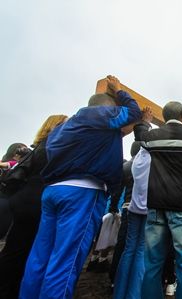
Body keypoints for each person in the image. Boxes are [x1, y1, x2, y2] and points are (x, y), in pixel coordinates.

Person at [19, 75, 142, 299]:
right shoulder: (99, 115)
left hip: (53, 191)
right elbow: (132, 112)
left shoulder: (65, 128)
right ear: (109, 108)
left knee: (40, 257)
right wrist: (119, 92)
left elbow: (116, 131)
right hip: (81, 193)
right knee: (66, 261)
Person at [135, 101, 182, 299]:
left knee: (152, 263)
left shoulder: (151, 137)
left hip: (155, 207)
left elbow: (140, 137)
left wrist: (144, 122)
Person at [0, 115, 67, 299]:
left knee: (18, 248)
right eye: (64, 125)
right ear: (53, 127)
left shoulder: (41, 146)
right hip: (32, 203)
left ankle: (10, 288)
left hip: (27, 201)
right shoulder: (49, 148)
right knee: (19, 250)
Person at [113, 140, 151, 299]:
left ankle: (119, 292)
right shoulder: (152, 161)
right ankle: (134, 294)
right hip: (148, 209)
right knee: (141, 249)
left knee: (129, 249)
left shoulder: (132, 164)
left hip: (131, 207)